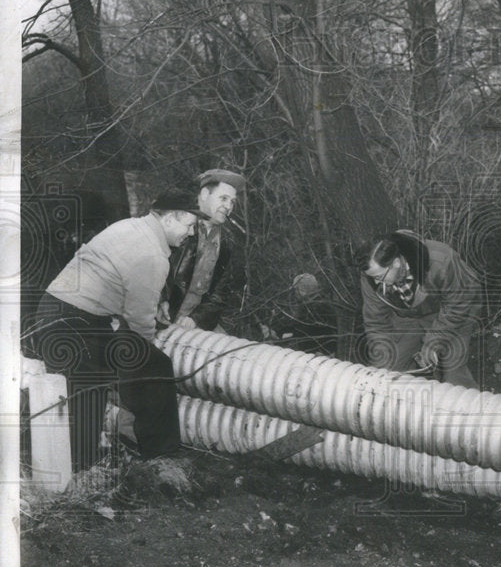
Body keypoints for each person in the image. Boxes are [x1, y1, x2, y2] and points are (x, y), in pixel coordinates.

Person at [31, 188, 201, 472]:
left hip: (57, 311)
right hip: (73, 321)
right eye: (190, 224)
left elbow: (121, 282)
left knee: (101, 383)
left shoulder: (130, 226)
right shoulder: (154, 255)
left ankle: (93, 461)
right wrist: (140, 354)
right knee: (134, 373)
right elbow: (139, 322)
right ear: (170, 218)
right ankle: (98, 469)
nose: (191, 233)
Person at [360, 229, 481, 388]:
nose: (376, 283)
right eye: (373, 278)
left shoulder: (441, 260)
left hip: (456, 311)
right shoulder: (371, 274)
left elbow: (457, 306)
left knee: (453, 372)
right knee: (384, 370)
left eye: (379, 277)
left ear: (396, 262)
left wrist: (432, 342)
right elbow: (376, 322)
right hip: (408, 315)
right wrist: (383, 354)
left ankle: (467, 408)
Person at [158, 168, 246, 331]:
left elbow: (221, 292)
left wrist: (197, 319)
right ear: (204, 194)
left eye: (232, 202)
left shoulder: (228, 240)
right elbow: (150, 269)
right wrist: (160, 304)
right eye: (224, 198)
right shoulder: (177, 225)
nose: (228, 206)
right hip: (161, 316)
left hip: (195, 324)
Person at [264, 273, 340, 357]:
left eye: (296, 289)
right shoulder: (311, 304)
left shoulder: (318, 306)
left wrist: (283, 336)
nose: (295, 293)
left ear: (303, 290)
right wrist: (279, 333)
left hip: (320, 354)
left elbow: (304, 330)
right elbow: (298, 325)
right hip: (314, 352)